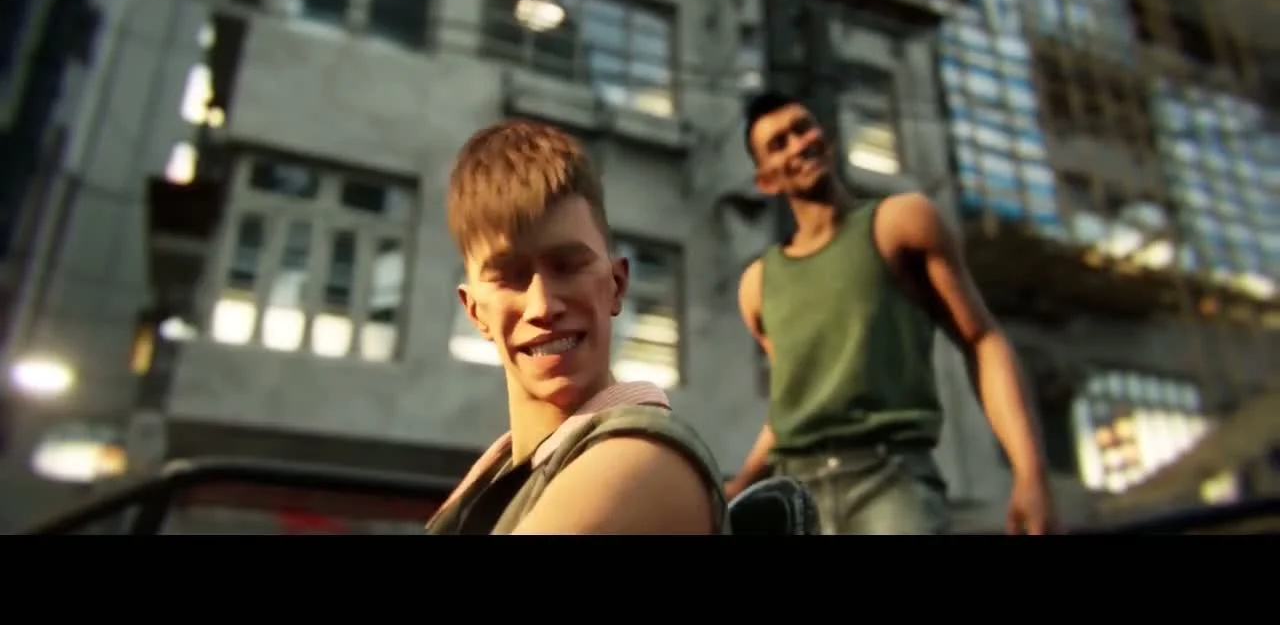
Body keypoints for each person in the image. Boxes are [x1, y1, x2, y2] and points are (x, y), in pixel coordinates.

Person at [724, 91, 1058, 536]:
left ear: (827, 136)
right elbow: (793, 406)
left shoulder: (901, 222)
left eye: (802, 128)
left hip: (890, 482)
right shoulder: (758, 284)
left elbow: (982, 340)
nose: (798, 144)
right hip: (798, 496)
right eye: (778, 143)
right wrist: (738, 486)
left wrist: (1031, 472)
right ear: (766, 180)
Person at [425, 120, 727, 535]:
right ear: (475, 312)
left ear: (617, 284)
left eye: (567, 267)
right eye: (510, 276)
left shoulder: (642, 462)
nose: (543, 306)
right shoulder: (490, 486)